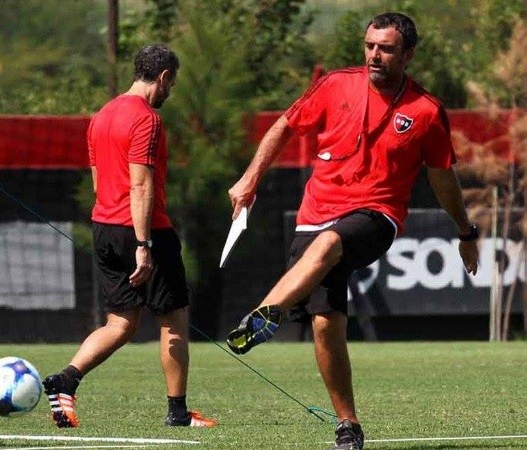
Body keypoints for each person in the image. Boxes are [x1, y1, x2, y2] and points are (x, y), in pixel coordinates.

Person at [225, 12, 479, 450]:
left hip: (376, 215)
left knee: (329, 245)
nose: (374, 55)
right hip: (316, 211)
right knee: (326, 323)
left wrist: (465, 231)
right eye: (369, 46)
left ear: (408, 55)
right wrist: (250, 179)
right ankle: (348, 425)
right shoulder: (335, 84)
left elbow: (443, 178)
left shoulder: (426, 111)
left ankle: (266, 313)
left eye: (386, 48)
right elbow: (285, 125)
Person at [41, 44, 217, 429]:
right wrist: (143, 245)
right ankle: (177, 412)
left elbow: (98, 180)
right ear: (165, 77)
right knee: (173, 320)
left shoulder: (102, 116)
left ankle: (65, 380)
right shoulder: (147, 119)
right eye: (172, 83)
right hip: (144, 230)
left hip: (105, 225)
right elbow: (140, 185)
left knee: (121, 323)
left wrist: (112, 227)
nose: (169, 92)